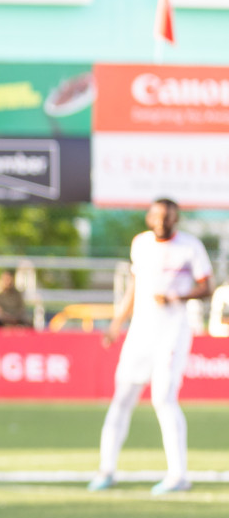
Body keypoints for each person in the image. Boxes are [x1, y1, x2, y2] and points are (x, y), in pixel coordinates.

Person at [91, 198, 213, 496]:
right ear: (149, 218)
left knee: (163, 398)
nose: (162, 221)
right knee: (122, 398)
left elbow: (206, 287)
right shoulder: (141, 244)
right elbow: (135, 286)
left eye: (168, 217)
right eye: (158, 216)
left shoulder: (190, 247)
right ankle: (106, 469)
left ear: (176, 220)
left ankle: (177, 475)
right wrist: (117, 322)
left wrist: (176, 297)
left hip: (173, 331)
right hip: (140, 332)